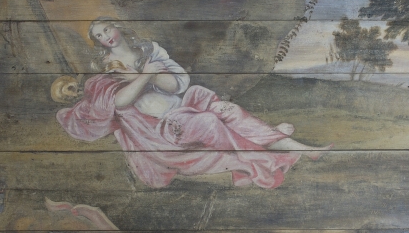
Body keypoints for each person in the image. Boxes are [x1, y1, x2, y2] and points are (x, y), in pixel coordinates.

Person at [53, 18, 331, 189]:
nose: (106, 36)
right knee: (210, 122)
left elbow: (177, 84)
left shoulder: (148, 50)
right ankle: (265, 153)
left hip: (186, 104)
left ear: (117, 26)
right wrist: (145, 75)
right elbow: (120, 101)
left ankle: (304, 149)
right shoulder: (106, 69)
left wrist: (146, 73)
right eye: (99, 36)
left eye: (106, 29)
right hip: (166, 126)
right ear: (98, 43)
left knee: (231, 111)